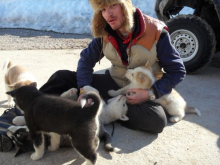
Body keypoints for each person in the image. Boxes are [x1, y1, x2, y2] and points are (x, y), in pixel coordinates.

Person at [0, 0, 186, 151]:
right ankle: (21, 114)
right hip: (110, 83)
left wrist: (152, 93)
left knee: (157, 121)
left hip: (138, 93)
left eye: (112, 5)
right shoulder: (105, 31)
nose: (108, 14)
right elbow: (86, 61)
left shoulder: (155, 32)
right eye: (103, 9)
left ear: (125, 5)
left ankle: (76, 126)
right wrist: (85, 88)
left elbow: (177, 71)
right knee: (62, 77)